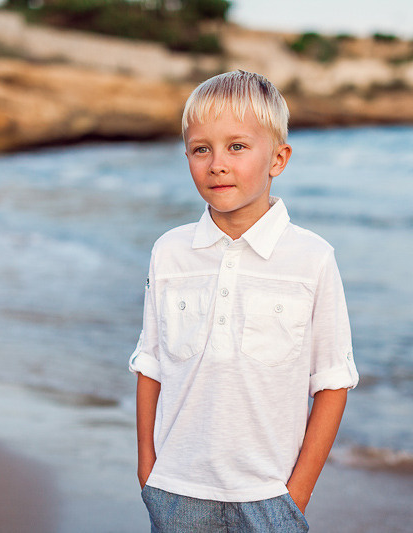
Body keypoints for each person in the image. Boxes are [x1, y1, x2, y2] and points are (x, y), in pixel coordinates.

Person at [129, 70, 359, 532]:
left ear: (278, 158)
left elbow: (332, 381)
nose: (217, 163)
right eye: (201, 149)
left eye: (237, 146)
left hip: (269, 498)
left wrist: (297, 493)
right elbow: (151, 363)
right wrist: (148, 467)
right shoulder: (170, 252)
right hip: (175, 490)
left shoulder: (311, 258)